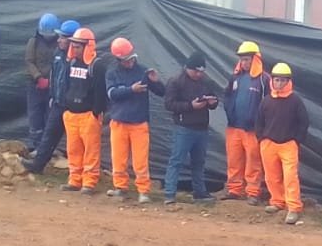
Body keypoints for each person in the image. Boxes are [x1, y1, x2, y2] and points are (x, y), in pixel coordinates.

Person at [105, 37, 164, 204]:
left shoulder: (143, 72)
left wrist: (156, 81)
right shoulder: (112, 72)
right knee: (118, 158)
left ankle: (143, 191)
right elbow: (111, 94)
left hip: (139, 123)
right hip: (119, 122)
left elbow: (161, 92)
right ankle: (120, 188)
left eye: (131, 58)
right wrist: (131, 90)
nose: (130, 62)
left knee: (140, 160)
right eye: (126, 60)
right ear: (118, 59)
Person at [162, 52, 222, 206]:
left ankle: (199, 193)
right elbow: (169, 104)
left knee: (199, 162)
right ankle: (169, 193)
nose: (199, 74)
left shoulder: (205, 81)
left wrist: (211, 102)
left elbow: (215, 101)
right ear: (187, 68)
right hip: (183, 127)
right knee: (176, 160)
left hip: (201, 128)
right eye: (196, 71)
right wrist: (190, 106)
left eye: (201, 71)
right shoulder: (176, 81)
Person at [20, 20, 79, 174]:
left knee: (77, 140)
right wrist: (51, 92)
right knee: (49, 135)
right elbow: (55, 76)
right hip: (58, 102)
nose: (58, 40)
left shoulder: (81, 60)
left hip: (75, 107)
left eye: (62, 37)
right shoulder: (58, 54)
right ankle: (37, 165)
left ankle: (80, 173)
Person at [256, 62, 310, 224]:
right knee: (272, 177)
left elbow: (304, 122)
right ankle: (277, 201)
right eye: (277, 80)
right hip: (269, 144)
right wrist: (262, 139)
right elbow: (259, 122)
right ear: (272, 81)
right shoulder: (266, 101)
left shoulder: (295, 101)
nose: (279, 83)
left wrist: (296, 140)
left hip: (288, 145)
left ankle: (293, 207)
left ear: (289, 81)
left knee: (290, 177)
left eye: (283, 80)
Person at [60, 27, 107, 194]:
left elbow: (101, 92)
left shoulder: (97, 65)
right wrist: (65, 108)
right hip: (71, 114)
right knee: (73, 150)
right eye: (73, 45)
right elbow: (65, 85)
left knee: (91, 151)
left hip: (88, 115)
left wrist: (96, 113)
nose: (74, 49)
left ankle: (89, 182)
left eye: (78, 46)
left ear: (88, 46)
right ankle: (74, 180)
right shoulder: (71, 62)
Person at [223, 40, 270, 204]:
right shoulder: (235, 77)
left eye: (247, 59)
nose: (244, 62)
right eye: (242, 59)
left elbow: (268, 104)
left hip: (252, 129)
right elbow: (227, 96)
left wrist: (260, 125)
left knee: (253, 161)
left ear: (255, 59)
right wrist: (229, 112)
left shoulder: (264, 80)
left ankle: (253, 192)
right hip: (234, 126)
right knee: (234, 159)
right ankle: (235, 189)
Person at [25, 13, 61, 152]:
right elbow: (29, 61)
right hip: (35, 85)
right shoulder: (33, 42)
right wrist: (38, 77)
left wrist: (51, 81)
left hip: (53, 86)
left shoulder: (60, 44)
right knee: (35, 114)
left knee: (50, 116)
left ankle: (49, 147)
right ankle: (35, 144)